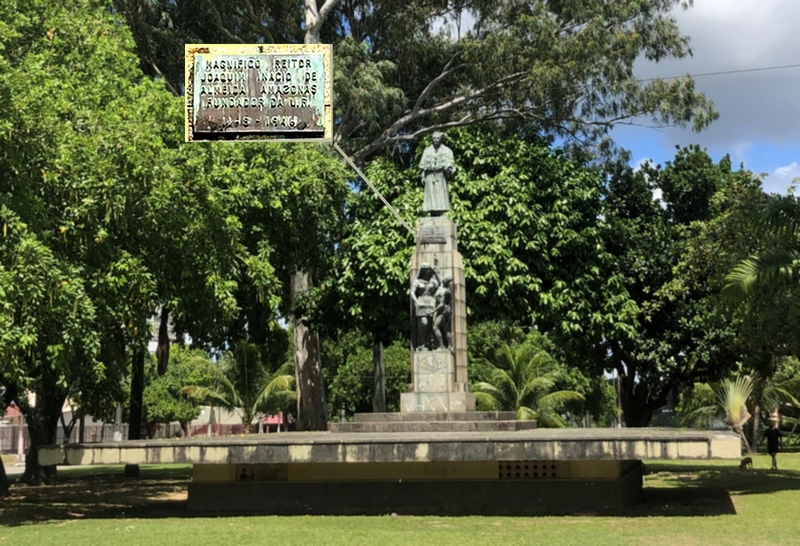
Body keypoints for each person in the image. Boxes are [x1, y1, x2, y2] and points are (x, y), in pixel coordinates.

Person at [419, 131, 455, 216]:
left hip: (441, 175)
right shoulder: (427, 151)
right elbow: (422, 166)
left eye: (437, 138)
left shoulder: (447, 150)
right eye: (434, 138)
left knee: (440, 195)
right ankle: (432, 212)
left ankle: (440, 213)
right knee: (430, 196)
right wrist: (422, 176)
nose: (436, 140)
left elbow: (451, 163)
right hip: (429, 176)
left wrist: (449, 169)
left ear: (440, 139)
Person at [410, 262, 440, 350]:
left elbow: (441, 285)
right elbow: (412, 292)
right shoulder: (417, 281)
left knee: (433, 325)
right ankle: (422, 342)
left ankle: (431, 344)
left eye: (428, 270)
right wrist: (417, 302)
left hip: (431, 303)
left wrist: (436, 273)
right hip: (421, 303)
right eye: (425, 270)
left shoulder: (433, 281)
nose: (427, 272)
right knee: (424, 323)